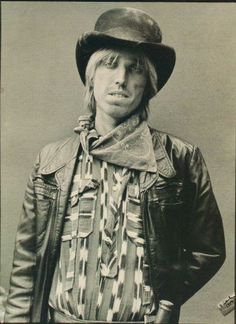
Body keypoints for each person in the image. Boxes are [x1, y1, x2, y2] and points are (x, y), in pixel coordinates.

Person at [4, 7, 225, 324]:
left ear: (147, 84)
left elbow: (208, 250)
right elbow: (27, 262)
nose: (121, 79)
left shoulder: (180, 159)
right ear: (91, 76)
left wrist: (166, 304)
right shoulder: (53, 161)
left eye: (134, 69)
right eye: (110, 65)